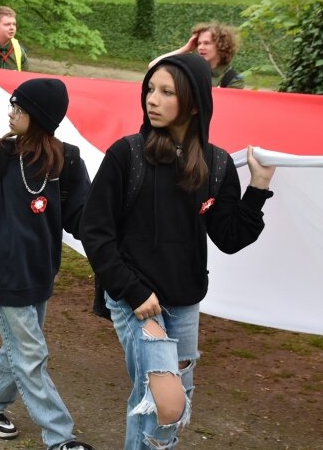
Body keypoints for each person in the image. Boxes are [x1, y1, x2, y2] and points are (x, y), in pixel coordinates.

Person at [80, 53, 276, 450]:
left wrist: (258, 188)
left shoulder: (217, 164)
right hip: (133, 297)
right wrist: (132, 291)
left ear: (192, 102)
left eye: (166, 92)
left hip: (185, 300)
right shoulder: (127, 155)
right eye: (150, 90)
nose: (152, 99)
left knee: (162, 401)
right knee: (166, 403)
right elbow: (94, 230)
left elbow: (230, 237)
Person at [0, 78, 94, 450]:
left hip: (42, 270)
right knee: (31, 353)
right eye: (12, 106)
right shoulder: (0, 156)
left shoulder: (69, 161)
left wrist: (110, 248)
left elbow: (83, 220)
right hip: (5, 270)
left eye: (20, 108)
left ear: (41, 117)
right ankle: (60, 436)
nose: (11, 114)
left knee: (18, 345)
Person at [148, 22, 245, 89]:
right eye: (199, 43)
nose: (201, 47)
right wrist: (185, 49)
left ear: (221, 45)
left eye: (206, 43)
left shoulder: (233, 79)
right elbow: (153, 66)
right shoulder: (190, 68)